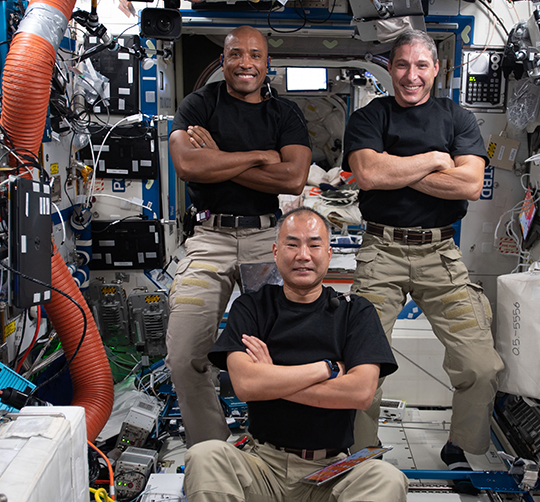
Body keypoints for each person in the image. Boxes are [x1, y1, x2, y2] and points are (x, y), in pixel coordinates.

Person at [343, 29, 504, 467]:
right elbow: (369, 175)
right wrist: (436, 159)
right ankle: (360, 454)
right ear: (389, 68)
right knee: (362, 362)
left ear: (436, 69)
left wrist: (393, 168)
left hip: (441, 254)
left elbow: (470, 184)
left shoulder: (458, 118)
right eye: (401, 65)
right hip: (381, 251)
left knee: (481, 364)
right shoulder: (369, 118)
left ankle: (464, 449)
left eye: (420, 65)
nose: (410, 75)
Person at [183, 207, 407, 502]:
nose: (303, 255)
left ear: (328, 253)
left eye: (314, 245)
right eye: (292, 244)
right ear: (276, 252)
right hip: (261, 465)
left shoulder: (357, 312)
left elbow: (360, 392)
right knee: (205, 455)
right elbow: (246, 385)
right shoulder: (251, 308)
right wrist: (327, 368)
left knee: (387, 479)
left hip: (331, 472)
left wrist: (271, 379)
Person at [166, 25, 311, 447]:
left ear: (267, 64)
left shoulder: (285, 115)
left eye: (254, 56)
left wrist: (219, 158)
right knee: (184, 353)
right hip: (209, 237)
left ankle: (273, 441)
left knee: (281, 348)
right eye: (235, 55)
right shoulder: (198, 105)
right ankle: (212, 447)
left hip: (265, 237)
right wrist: (259, 158)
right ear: (223, 61)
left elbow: (295, 177)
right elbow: (188, 166)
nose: (245, 63)